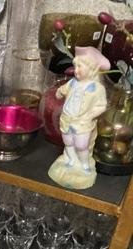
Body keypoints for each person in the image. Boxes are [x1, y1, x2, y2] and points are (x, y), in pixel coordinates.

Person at [48, 46, 110, 190]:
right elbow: (62, 90)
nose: (76, 70)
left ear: (92, 69)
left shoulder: (97, 88)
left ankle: (84, 164)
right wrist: (59, 93)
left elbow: (102, 106)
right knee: (68, 142)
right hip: (67, 119)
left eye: (80, 67)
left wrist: (90, 115)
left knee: (81, 145)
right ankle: (70, 159)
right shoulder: (72, 82)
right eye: (75, 66)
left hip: (82, 123)